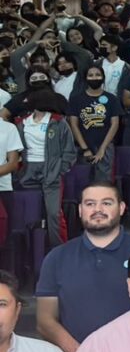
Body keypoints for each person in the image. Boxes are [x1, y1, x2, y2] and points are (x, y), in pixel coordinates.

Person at [35, 182, 130, 352]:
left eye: (106, 203)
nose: (98, 209)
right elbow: (45, 321)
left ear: (121, 208)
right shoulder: (57, 257)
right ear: (80, 210)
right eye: (90, 204)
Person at [15, 88, 76, 243]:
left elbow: (69, 150)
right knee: (30, 214)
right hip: (28, 171)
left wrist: (60, 170)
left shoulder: (58, 121)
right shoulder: (22, 122)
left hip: (52, 171)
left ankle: (59, 248)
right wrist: (20, 171)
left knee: (54, 213)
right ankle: (32, 248)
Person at [67, 63, 122, 181]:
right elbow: (74, 125)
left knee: (104, 182)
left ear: (103, 77)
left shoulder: (112, 99)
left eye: (97, 75)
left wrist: (103, 149)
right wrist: (85, 148)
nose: (94, 78)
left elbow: (115, 124)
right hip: (83, 146)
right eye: (90, 75)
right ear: (85, 78)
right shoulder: (76, 99)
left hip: (105, 146)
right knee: (83, 182)